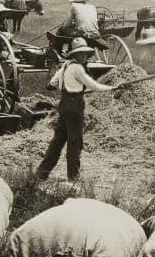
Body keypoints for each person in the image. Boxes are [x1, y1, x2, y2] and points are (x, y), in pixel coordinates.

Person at [35, 37, 115, 182]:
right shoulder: (77, 68)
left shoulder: (66, 65)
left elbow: (52, 82)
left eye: (84, 54)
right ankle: (73, 177)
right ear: (74, 55)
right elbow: (93, 85)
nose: (83, 57)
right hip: (74, 106)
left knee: (58, 140)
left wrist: (66, 85)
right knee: (75, 142)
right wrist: (112, 88)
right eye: (80, 54)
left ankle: (41, 174)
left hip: (64, 104)